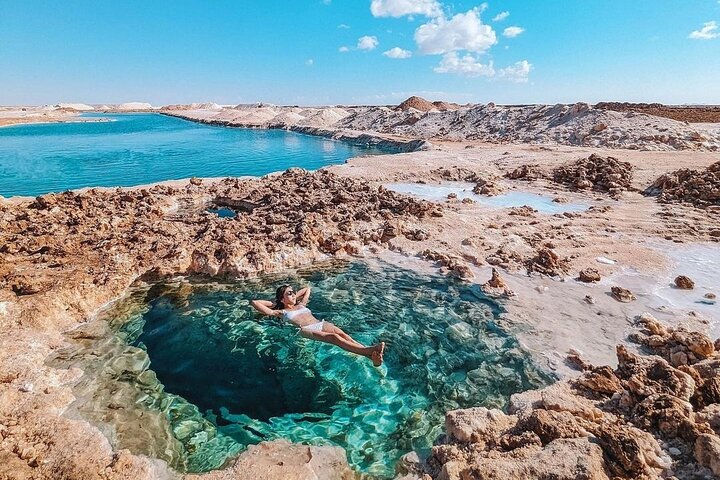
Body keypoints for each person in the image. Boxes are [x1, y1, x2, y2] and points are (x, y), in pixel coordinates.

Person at [251, 284, 385, 366]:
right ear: (281, 298)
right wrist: (276, 303)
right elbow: (255, 303)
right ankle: (368, 351)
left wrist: (292, 296)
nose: (293, 294)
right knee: (335, 338)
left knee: (345, 335)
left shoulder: (301, 304)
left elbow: (307, 289)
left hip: (319, 324)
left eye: (293, 292)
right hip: (305, 330)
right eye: (289, 293)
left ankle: (370, 355)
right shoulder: (281, 312)